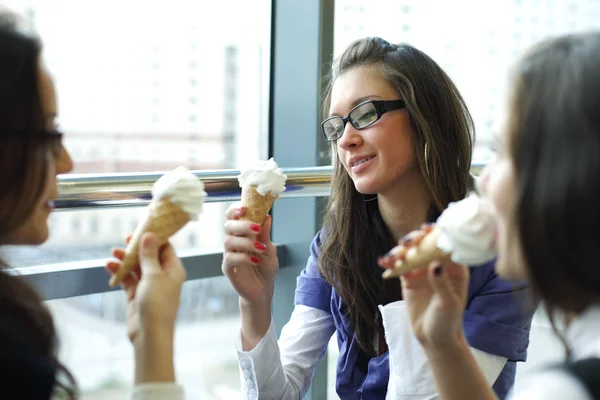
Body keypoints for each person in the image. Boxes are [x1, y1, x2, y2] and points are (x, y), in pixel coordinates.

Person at [222, 37, 533, 399]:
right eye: (336, 126)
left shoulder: (501, 245)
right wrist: (255, 303)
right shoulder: (336, 242)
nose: (346, 140)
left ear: (423, 116)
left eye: (366, 113)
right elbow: (278, 394)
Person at [395, 32, 600, 399]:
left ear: (567, 174)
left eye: (503, 151)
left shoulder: (562, 390)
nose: (485, 181)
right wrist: (444, 344)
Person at [0, 7, 186, 399]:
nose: (67, 162)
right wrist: (157, 342)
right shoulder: (12, 357)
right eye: (49, 134)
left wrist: (150, 333)